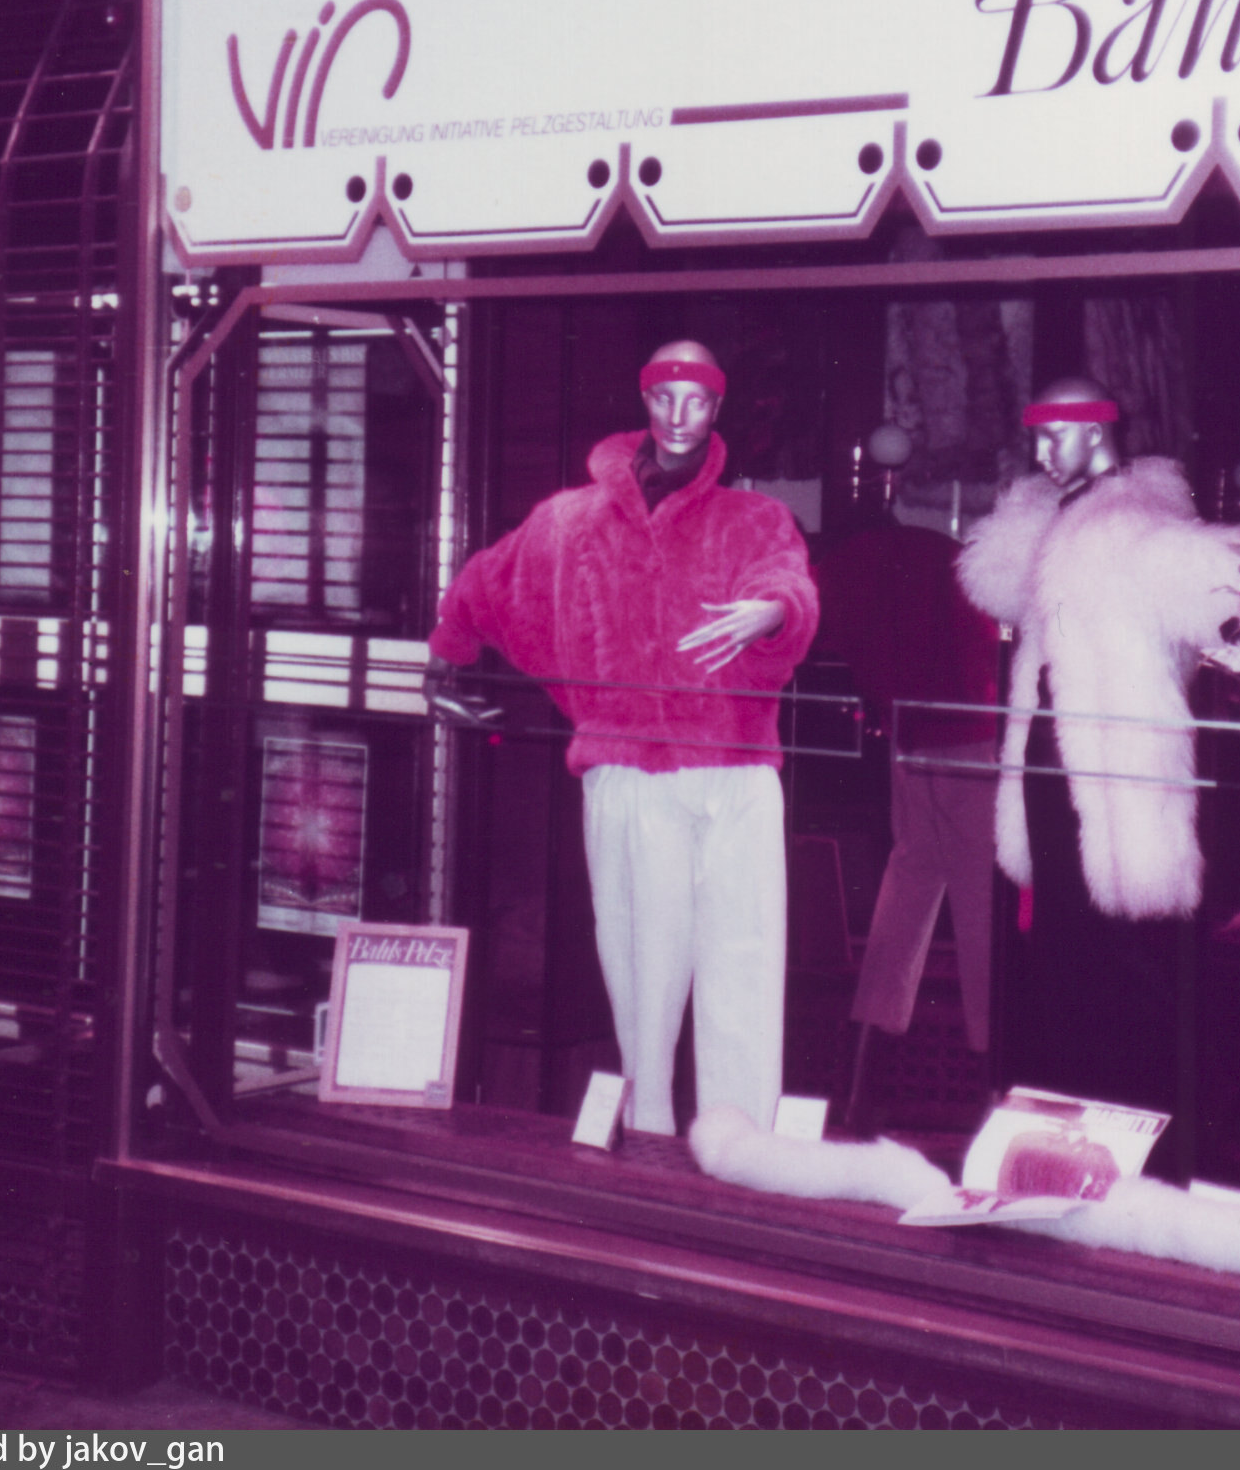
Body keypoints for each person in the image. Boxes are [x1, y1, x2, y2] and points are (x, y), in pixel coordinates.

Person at [425, 341, 817, 1136]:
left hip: (736, 771)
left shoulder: (752, 520)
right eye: (664, 396)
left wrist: (776, 611)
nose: (679, 415)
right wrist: (446, 655)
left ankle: (741, 1144)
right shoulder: (569, 521)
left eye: (696, 399)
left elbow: (786, 579)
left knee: (744, 960)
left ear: (716, 409)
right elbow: (486, 583)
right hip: (628, 771)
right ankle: (647, 1135)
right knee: (641, 972)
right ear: (644, 401)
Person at [955, 378, 1240, 1115]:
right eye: (1037, 437)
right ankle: (1074, 1116)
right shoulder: (1062, 521)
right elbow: (991, 585)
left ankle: (1133, 1122)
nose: (1043, 453)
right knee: (1067, 945)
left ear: (1094, 430)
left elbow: (1228, 595)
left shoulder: (1135, 524)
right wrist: (1028, 513)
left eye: (1056, 435)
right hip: (1052, 752)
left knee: (1115, 952)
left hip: (1112, 761)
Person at [814, 453, 1003, 1128]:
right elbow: (987, 639)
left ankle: (858, 1086)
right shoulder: (941, 553)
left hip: (909, 743)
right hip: (973, 740)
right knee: (981, 910)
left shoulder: (835, 571)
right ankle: (993, 1090)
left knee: (905, 896)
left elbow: (829, 644)